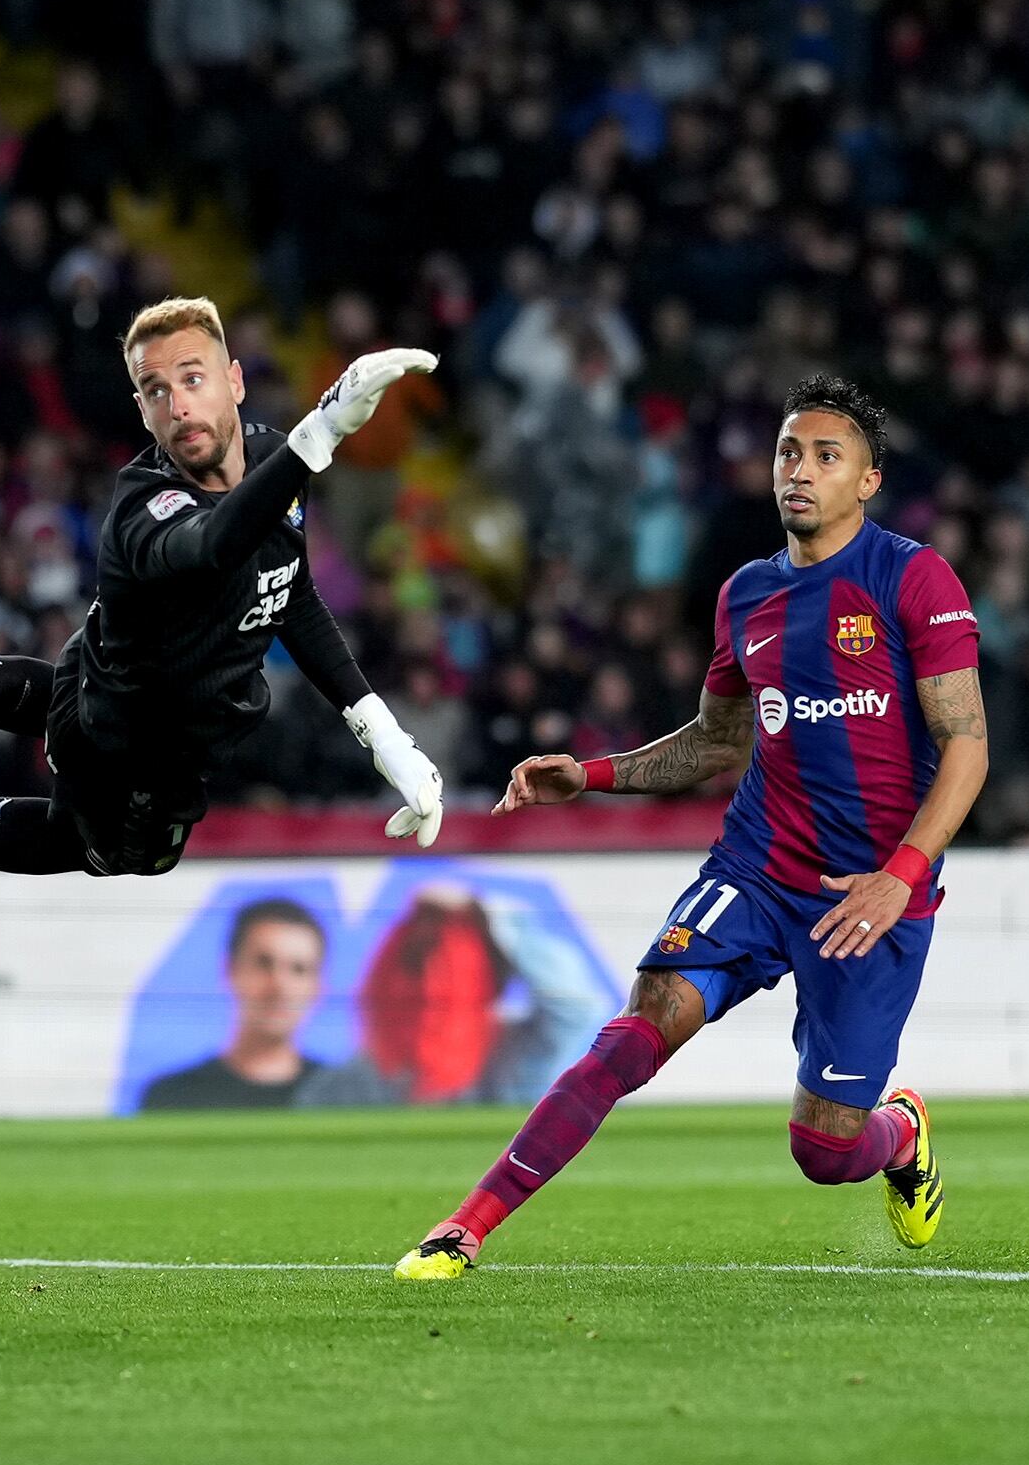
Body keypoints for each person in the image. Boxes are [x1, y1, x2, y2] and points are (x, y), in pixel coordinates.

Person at [396, 378, 978, 1278]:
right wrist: (588, 775)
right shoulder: (748, 596)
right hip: (757, 866)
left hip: (870, 894)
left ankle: (899, 1136)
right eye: (790, 451)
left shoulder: (912, 578)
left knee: (824, 1153)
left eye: (827, 456)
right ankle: (462, 1228)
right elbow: (715, 742)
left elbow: (967, 747)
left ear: (867, 481)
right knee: (639, 1027)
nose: (801, 470)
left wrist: (899, 873)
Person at [0, 300, 446, 875]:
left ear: (234, 380)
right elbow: (216, 545)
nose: (177, 406)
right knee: (115, 855)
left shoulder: (269, 461)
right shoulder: (145, 502)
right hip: (130, 753)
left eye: (192, 378)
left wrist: (385, 739)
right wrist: (318, 436)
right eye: (154, 390)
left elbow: (287, 590)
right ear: (139, 409)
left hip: (79, 680)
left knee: (61, 704)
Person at [137, 896, 385, 1111]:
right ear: (231, 970)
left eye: (299, 970)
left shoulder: (343, 1100)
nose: (280, 987)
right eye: (264, 964)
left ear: (318, 987)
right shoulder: (172, 1098)